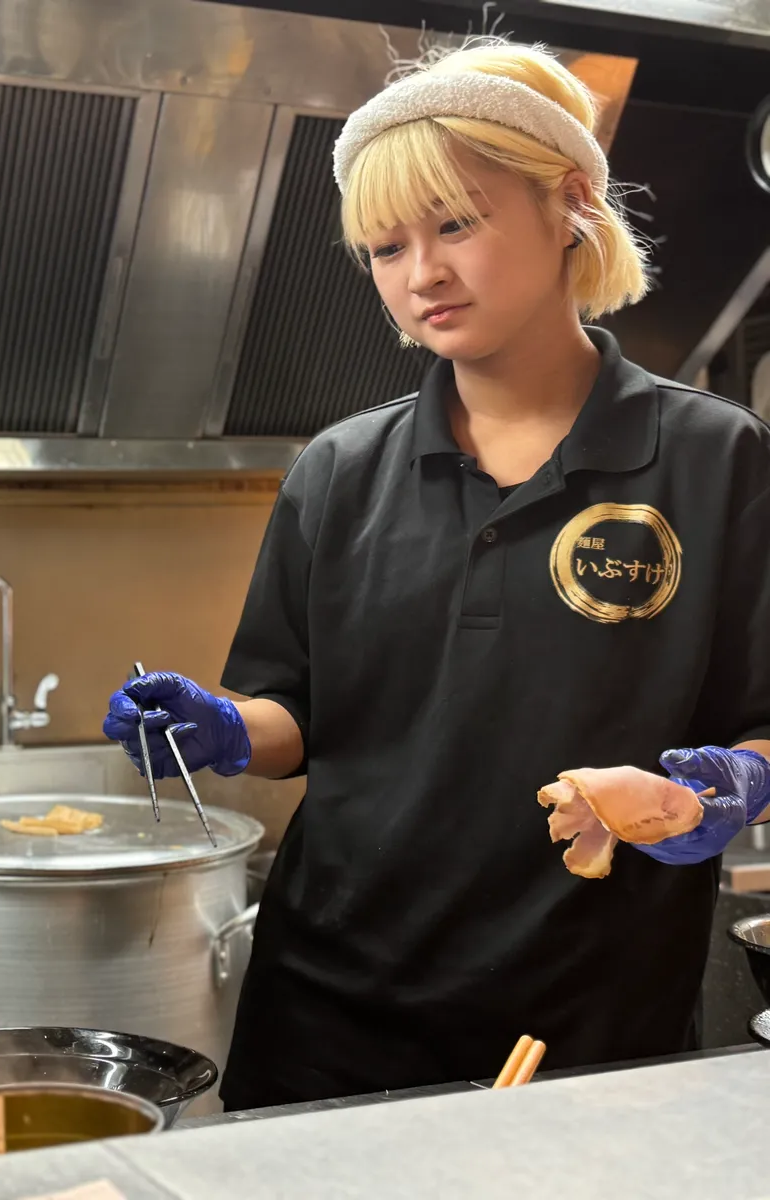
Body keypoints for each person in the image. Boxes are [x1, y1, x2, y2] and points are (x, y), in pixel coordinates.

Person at [103, 39, 770, 1112]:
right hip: (327, 1016)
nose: (422, 275)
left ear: (570, 204)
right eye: (383, 246)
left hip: (585, 1029)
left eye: (456, 223)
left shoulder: (713, 458)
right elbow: (296, 717)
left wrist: (714, 790)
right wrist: (223, 729)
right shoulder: (339, 471)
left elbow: (761, 725)